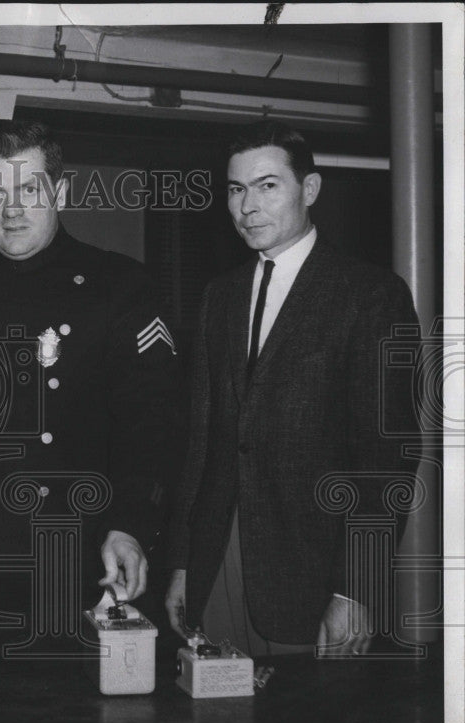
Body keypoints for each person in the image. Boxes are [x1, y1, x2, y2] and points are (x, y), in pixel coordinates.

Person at [0, 120, 186, 653]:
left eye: (28, 189)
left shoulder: (117, 286)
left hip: (72, 560)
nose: (10, 209)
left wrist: (130, 524)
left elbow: (154, 428)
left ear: (58, 192)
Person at [164, 120, 420, 657]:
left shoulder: (370, 295)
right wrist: (185, 562)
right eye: (236, 189)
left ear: (309, 190)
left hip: (315, 571)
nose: (246, 206)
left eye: (266, 185)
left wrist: (356, 587)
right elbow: (200, 442)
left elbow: (387, 458)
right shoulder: (220, 296)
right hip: (220, 560)